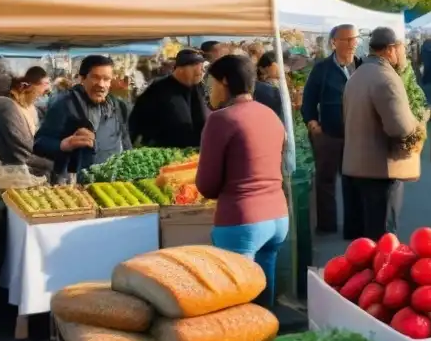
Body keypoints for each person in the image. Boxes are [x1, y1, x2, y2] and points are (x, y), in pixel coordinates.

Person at [196, 55, 287, 309]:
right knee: (263, 298)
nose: (210, 90)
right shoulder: (269, 115)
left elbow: (207, 185)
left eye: (211, 83)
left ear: (224, 82)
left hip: (242, 220)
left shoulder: (221, 119)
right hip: (278, 216)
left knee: (238, 304)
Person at [342, 26, 420, 240]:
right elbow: (400, 127)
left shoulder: (357, 75)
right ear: (389, 49)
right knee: (384, 238)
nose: (402, 53)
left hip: (359, 166)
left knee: (369, 236)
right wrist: (417, 122)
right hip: (381, 168)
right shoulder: (386, 77)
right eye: (400, 48)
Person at [301, 25, 363, 237]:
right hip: (329, 134)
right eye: (346, 40)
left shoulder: (363, 66)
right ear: (334, 42)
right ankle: (326, 225)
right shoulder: (322, 68)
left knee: (354, 181)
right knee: (326, 181)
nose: (352, 44)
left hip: (357, 136)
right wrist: (312, 121)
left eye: (354, 39)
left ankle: (353, 227)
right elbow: (309, 98)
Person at [34, 55, 132, 184]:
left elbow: (125, 143)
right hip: (74, 185)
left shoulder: (118, 106)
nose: (101, 84)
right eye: (95, 77)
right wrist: (63, 145)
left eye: (106, 79)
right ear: (82, 78)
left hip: (112, 184)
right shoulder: (64, 105)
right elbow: (39, 144)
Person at [128, 49, 209, 149]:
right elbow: (136, 121)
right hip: (167, 152)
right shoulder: (158, 89)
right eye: (195, 65)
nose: (201, 70)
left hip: (197, 152)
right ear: (180, 68)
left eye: (201, 65)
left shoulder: (199, 88)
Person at [0, 67, 53, 176]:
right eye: (44, 84)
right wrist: (53, 164)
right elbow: (23, 153)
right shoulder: (5, 105)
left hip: (27, 175)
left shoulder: (29, 107)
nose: (48, 89)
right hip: (10, 177)